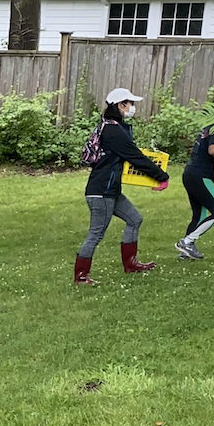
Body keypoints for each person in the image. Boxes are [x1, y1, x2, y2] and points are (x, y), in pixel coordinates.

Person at [79, 89, 170, 282]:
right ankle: (81, 276)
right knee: (96, 234)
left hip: (110, 190)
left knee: (134, 219)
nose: (133, 108)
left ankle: (130, 264)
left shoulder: (112, 127)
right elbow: (135, 157)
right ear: (121, 105)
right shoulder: (113, 131)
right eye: (131, 104)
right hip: (102, 192)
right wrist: (161, 176)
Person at [181, 115, 214, 261]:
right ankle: (186, 242)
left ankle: (186, 252)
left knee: (199, 215)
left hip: (191, 173)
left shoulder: (210, 124)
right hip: (200, 176)